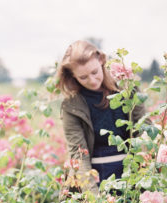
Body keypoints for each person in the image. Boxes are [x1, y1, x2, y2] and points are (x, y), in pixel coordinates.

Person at [56, 40, 145, 194]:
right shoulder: (72, 105)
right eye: (83, 77)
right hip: (92, 177)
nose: (92, 80)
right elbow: (79, 154)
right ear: (73, 76)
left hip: (129, 174)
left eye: (95, 72)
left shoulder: (127, 89)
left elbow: (142, 128)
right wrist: (93, 199)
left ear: (102, 61)